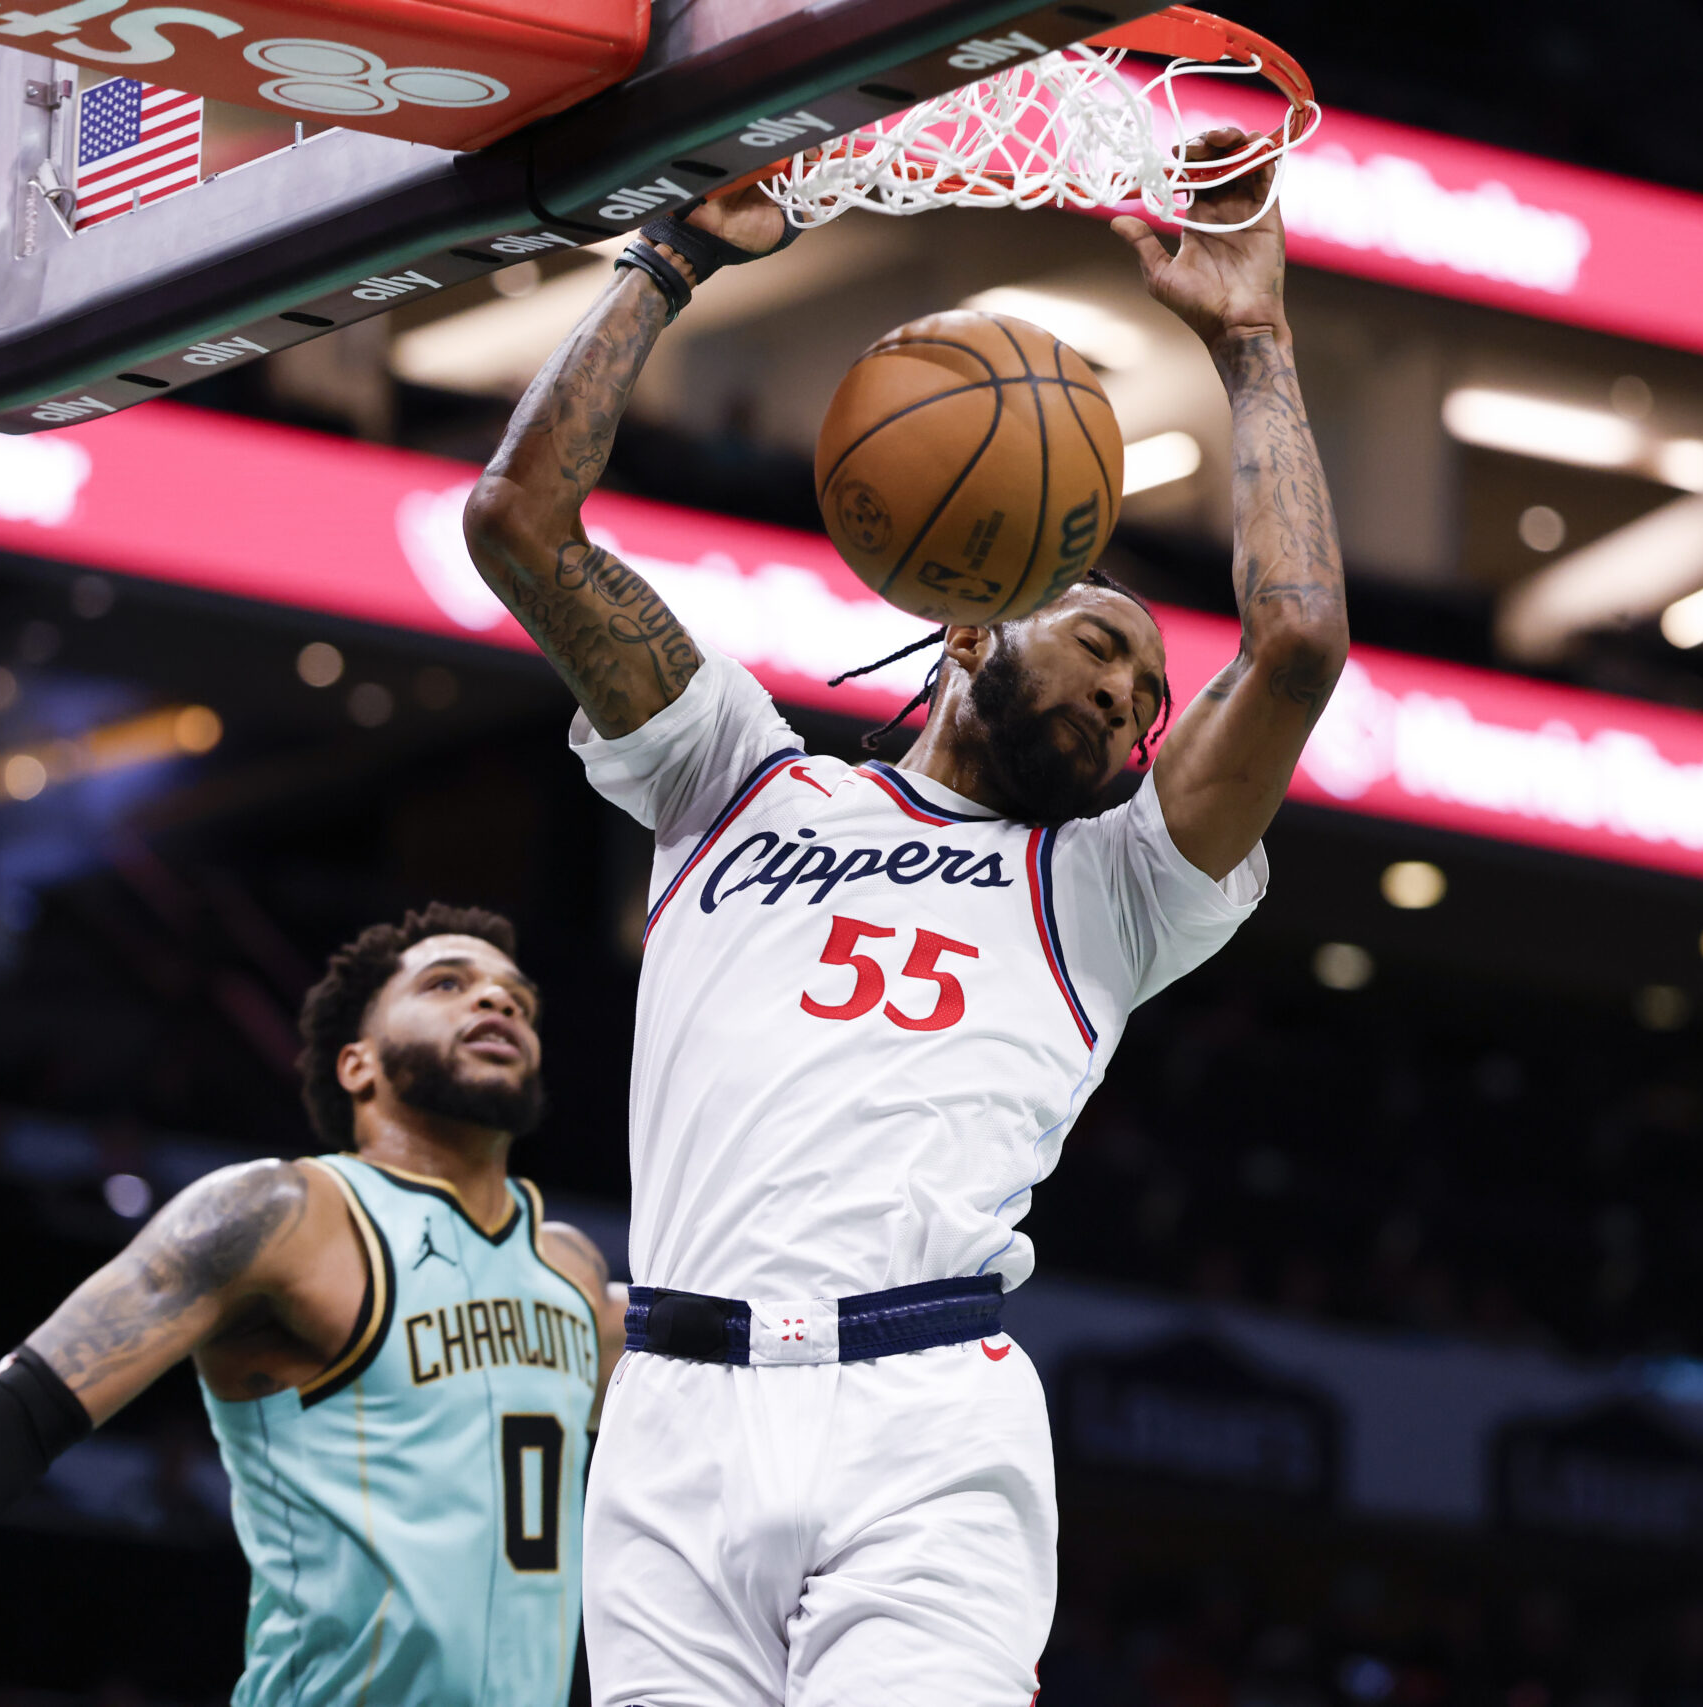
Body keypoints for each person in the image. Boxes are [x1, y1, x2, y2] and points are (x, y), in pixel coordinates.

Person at [462, 132, 1344, 1706]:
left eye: (1147, 689)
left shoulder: (1113, 891)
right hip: (671, 1419)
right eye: (1103, 641)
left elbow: (1292, 650)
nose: (1133, 695)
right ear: (968, 626)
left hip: (923, 1417)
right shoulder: (734, 776)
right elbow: (522, 523)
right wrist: (670, 259)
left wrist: (1257, 343)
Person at [0, 903, 625, 1707]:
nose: (497, 997)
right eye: (446, 983)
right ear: (357, 1063)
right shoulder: (283, 1215)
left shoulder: (572, 1269)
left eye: (518, 997)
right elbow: (18, 1416)